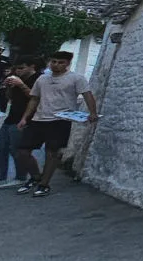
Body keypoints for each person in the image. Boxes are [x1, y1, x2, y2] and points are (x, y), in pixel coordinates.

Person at [15, 51, 99, 197]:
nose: (56, 65)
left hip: (60, 119)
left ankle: (44, 184)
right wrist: (25, 118)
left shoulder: (76, 78)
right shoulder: (42, 79)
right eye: (53, 61)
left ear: (67, 64)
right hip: (39, 119)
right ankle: (35, 176)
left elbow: (87, 94)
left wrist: (93, 112)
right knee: (23, 151)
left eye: (61, 62)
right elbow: (34, 99)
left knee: (52, 153)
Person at [0, 60, 38, 187]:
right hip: (11, 116)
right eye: (16, 69)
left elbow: (35, 98)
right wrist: (8, 87)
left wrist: (21, 85)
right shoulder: (17, 78)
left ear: (31, 66)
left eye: (22, 68)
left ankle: (21, 176)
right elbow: (10, 99)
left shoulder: (37, 78)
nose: (18, 71)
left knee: (17, 149)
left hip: (25, 118)